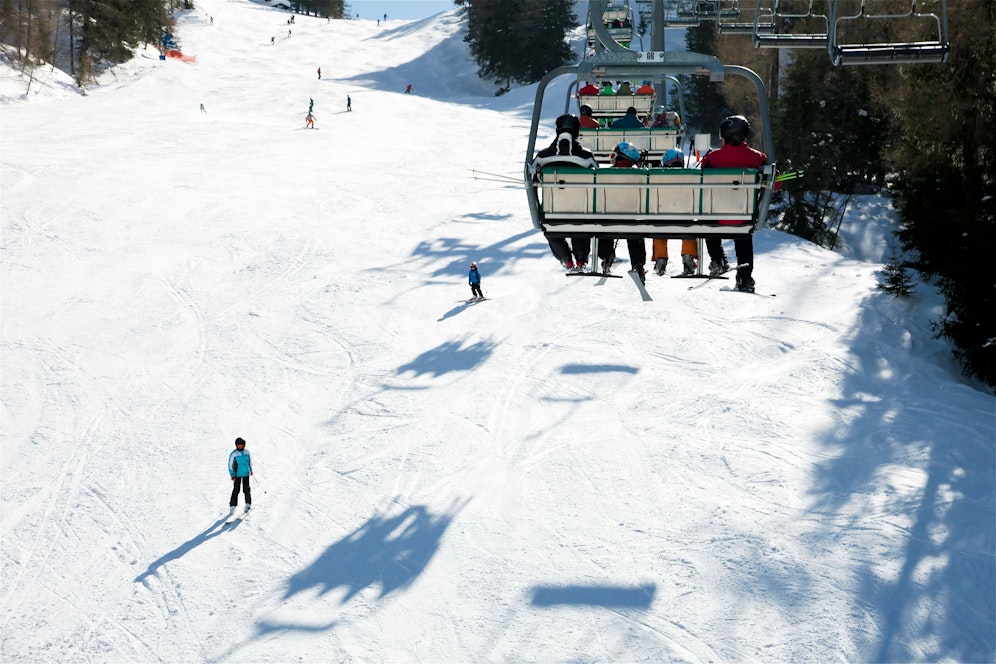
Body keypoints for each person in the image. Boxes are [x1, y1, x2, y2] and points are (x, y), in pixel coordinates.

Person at [701, 115, 768, 292]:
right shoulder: (758, 158)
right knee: (743, 236)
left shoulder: (712, 158)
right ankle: (745, 278)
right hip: (743, 216)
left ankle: (718, 259)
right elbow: (774, 184)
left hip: (717, 216)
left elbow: (701, 182)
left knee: (708, 224)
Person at [530, 114, 599, 271]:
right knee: (580, 227)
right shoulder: (586, 157)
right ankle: (581, 259)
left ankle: (565, 258)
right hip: (582, 211)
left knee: (552, 230)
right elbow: (598, 177)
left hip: (552, 212)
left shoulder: (543, 157)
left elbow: (532, 177)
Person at [651, 148, 698, 276]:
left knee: (659, 231)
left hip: (662, 218)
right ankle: (688, 256)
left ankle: (660, 258)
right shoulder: (690, 177)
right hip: (685, 218)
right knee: (689, 231)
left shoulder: (658, 177)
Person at [607, 142, 648, 282]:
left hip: (609, 218)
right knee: (635, 233)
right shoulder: (641, 175)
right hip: (633, 218)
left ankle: (606, 256)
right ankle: (638, 264)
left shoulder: (605, 174)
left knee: (603, 229)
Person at [228, 437, 252, 514]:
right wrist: (232, 474)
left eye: (241, 445)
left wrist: (250, 470)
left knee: (246, 489)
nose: (240, 446)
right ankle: (232, 506)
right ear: (236, 445)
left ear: (244, 445)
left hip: (246, 474)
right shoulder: (234, 454)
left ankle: (248, 504)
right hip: (237, 475)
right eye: (239, 445)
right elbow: (230, 464)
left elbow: (249, 461)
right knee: (236, 490)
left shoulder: (247, 452)